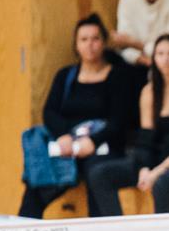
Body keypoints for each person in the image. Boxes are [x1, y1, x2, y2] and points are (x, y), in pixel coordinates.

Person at [19, 15, 139, 219]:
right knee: (37, 178)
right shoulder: (65, 76)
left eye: (95, 39)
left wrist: (93, 141)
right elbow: (50, 111)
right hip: (68, 145)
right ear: (76, 45)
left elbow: (119, 120)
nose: (90, 45)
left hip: (103, 147)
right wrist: (64, 136)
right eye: (84, 39)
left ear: (104, 42)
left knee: (97, 174)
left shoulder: (119, 76)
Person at [85, 34, 169, 215]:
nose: (166, 59)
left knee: (162, 183)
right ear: (154, 58)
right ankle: (117, 230)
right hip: (156, 158)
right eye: (160, 54)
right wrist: (144, 168)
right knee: (99, 174)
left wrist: (156, 172)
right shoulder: (149, 92)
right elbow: (146, 140)